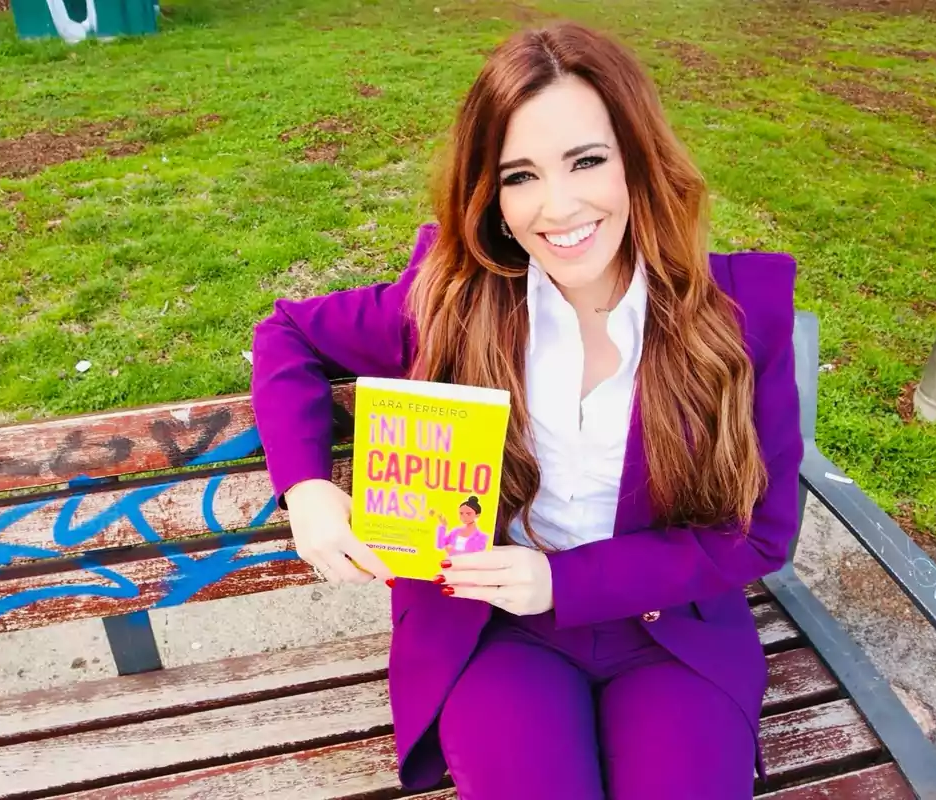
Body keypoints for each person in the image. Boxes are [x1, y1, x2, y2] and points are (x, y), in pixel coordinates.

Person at [251, 20, 801, 800]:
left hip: (669, 629)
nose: (558, 205)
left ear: (637, 161)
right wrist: (306, 489)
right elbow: (288, 335)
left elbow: (762, 533)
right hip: (493, 630)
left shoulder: (736, 314)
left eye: (586, 160)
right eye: (520, 176)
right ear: (492, 197)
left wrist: (563, 581)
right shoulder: (450, 300)